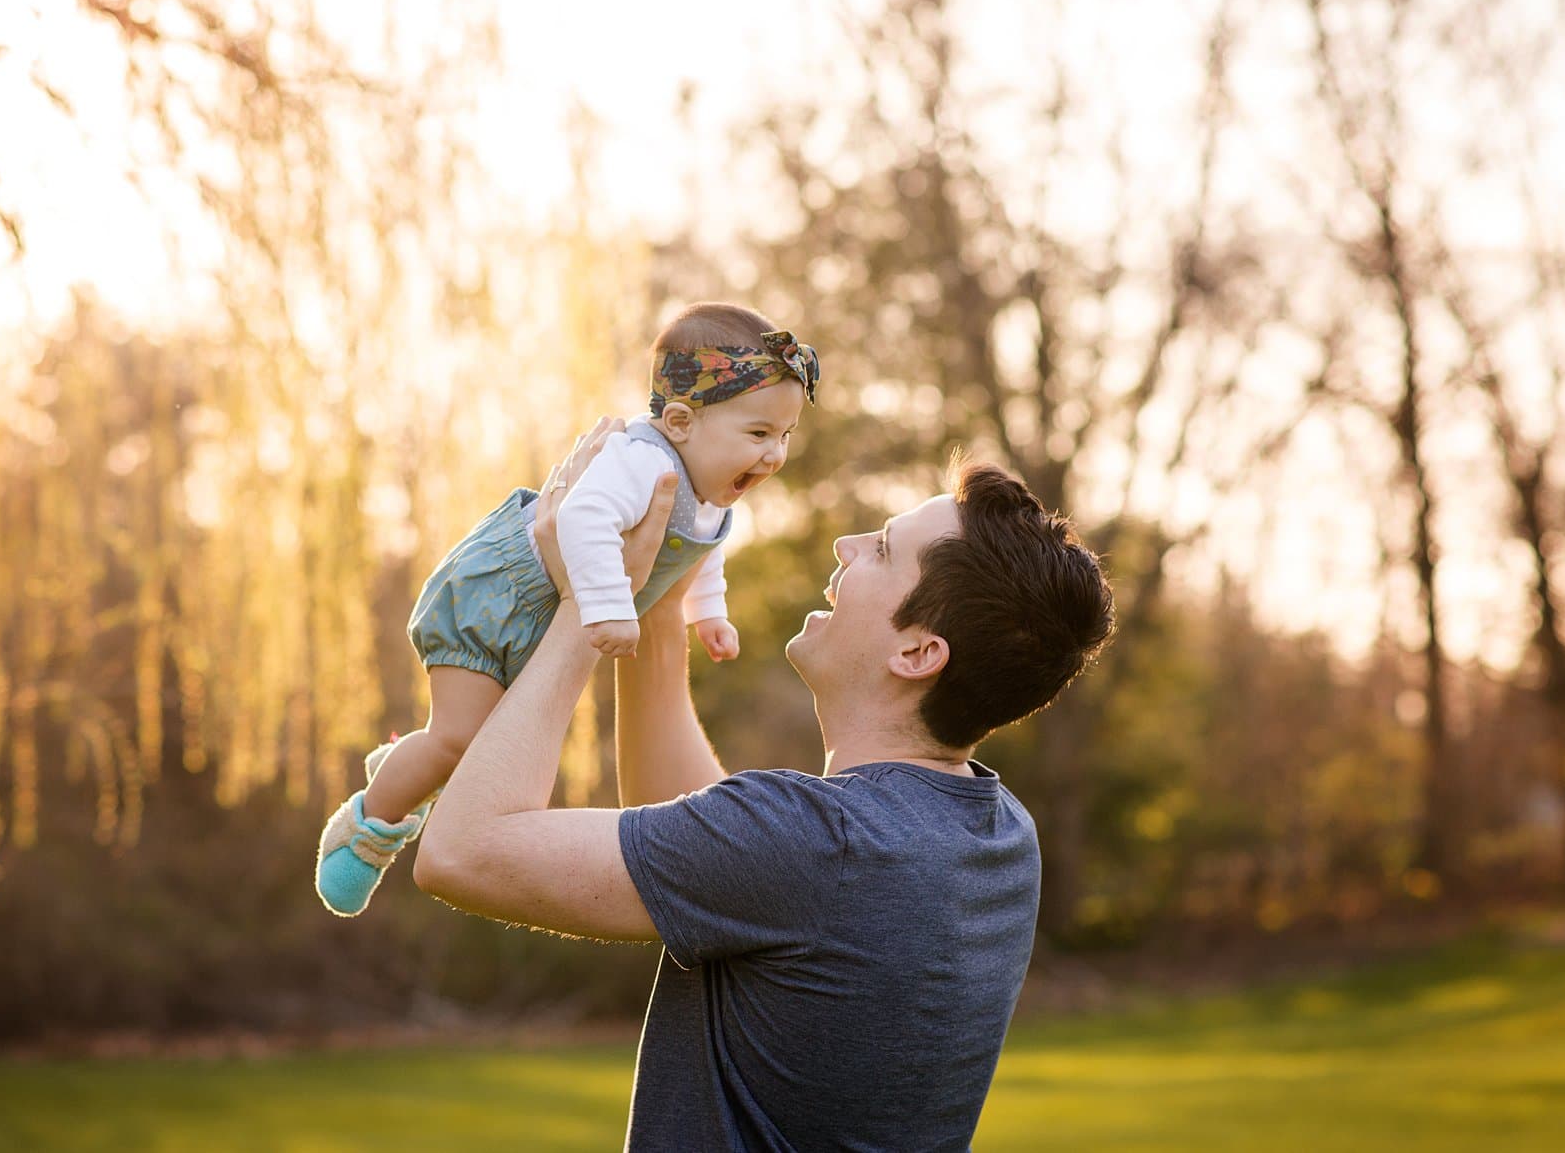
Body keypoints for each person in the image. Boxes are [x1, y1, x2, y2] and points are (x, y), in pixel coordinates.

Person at [413, 423, 1115, 1151]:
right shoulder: (998, 837)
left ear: (917, 651)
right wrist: (654, 584)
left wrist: (581, 604)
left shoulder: (811, 841)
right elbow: (710, 845)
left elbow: (463, 850)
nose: (847, 546)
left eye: (879, 548)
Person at [314, 303, 822, 917]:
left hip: (545, 614)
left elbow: (703, 551)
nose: (774, 456)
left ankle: (407, 766)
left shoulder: (714, 489)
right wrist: (606, 605)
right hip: (494, 598)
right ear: (682, 421)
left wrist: (708, 612)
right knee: (457, 741)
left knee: (482, 750)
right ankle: (367, 826)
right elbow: (582, 517)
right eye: (759, 434)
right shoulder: (643, 462)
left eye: (786, 436)